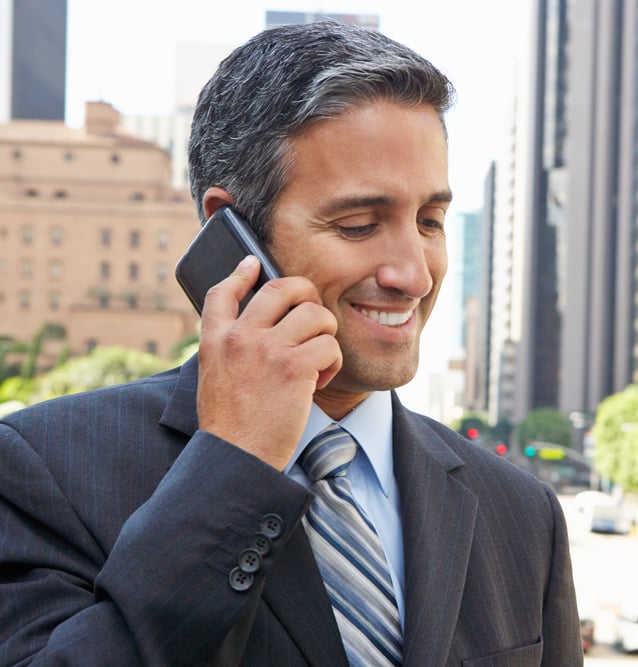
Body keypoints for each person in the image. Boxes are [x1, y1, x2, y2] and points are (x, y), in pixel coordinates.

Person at [0, 20, 582, 666]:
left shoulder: (524, 513)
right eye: (360, 224)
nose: (413, 274)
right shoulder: (42, 468)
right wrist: (234, 464)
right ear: (231, 229)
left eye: (430, 221)